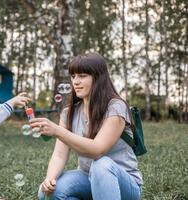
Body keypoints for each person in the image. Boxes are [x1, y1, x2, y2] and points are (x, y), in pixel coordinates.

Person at [30, 53, 142, 200]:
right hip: (87, 177)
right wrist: (49, 179)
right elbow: (59, 155)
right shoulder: (69, 112)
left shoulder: (116, 107)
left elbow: (97, 150)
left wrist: (57, 131)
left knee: (101, 165)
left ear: (98, 78)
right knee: (47, 193)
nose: (75, 81)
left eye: (82, 76)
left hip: (124, 185)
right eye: (73, 76)